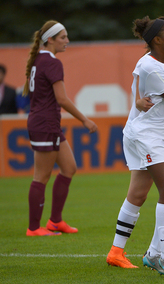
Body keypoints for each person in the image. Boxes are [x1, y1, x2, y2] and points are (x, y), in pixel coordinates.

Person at [106, 17, 164, 269]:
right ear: (159, 39)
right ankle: (161, 252)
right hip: (149, 134)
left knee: (147, 193)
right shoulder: (149, 64)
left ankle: (122, 251)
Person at [23, 20, 98, 236]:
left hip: (46, 123)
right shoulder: (53, 62)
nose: (67, 41)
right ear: (50, 40)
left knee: (69, 168)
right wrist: (84, 120)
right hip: (45, 124)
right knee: (41, 177)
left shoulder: (39, 59)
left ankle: (55, 221)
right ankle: (34, 228)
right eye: (63, 37)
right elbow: (62, 99)